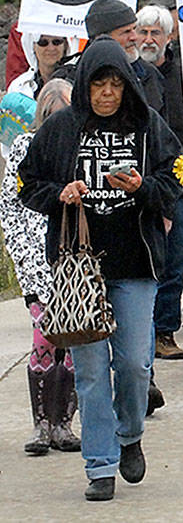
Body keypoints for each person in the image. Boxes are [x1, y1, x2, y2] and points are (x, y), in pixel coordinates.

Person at [17, 39, 183, 502]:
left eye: (115, 84)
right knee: (91, 372)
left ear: (127, 85)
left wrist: (143, 186)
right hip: (79, 268)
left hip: (136, 264)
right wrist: (60, 194)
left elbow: (177, 179)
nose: (107, 94)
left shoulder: (148, 127)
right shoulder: (59, 131)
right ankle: (100, 463)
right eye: (98, 85)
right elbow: (25, 182)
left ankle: (129, 434)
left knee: (133, 364)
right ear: (85, 85)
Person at [0, 78, 79, 457]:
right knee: (44, 341)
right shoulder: (22, 149)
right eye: (48, 112)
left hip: (75, 263)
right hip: (36, 266)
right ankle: (41, 425)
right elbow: (10, 209)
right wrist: (25, 260)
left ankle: (64, 423)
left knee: (74, 345)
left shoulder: (83, 147)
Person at [135, 5, 183, 362]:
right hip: (142, 182)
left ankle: (164, 331)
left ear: (169, 37)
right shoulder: (131, 76)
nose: (147, 40)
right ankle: (144, 330)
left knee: (175, 261)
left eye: (155, 33)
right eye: (142, 33)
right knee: (148, 257)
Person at [6, 33, 69, 99]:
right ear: (33, 46)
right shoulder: (18, 86)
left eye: (57, 42)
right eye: (43, 42)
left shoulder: (77, 83)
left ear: (65, 45)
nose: (51, 48)